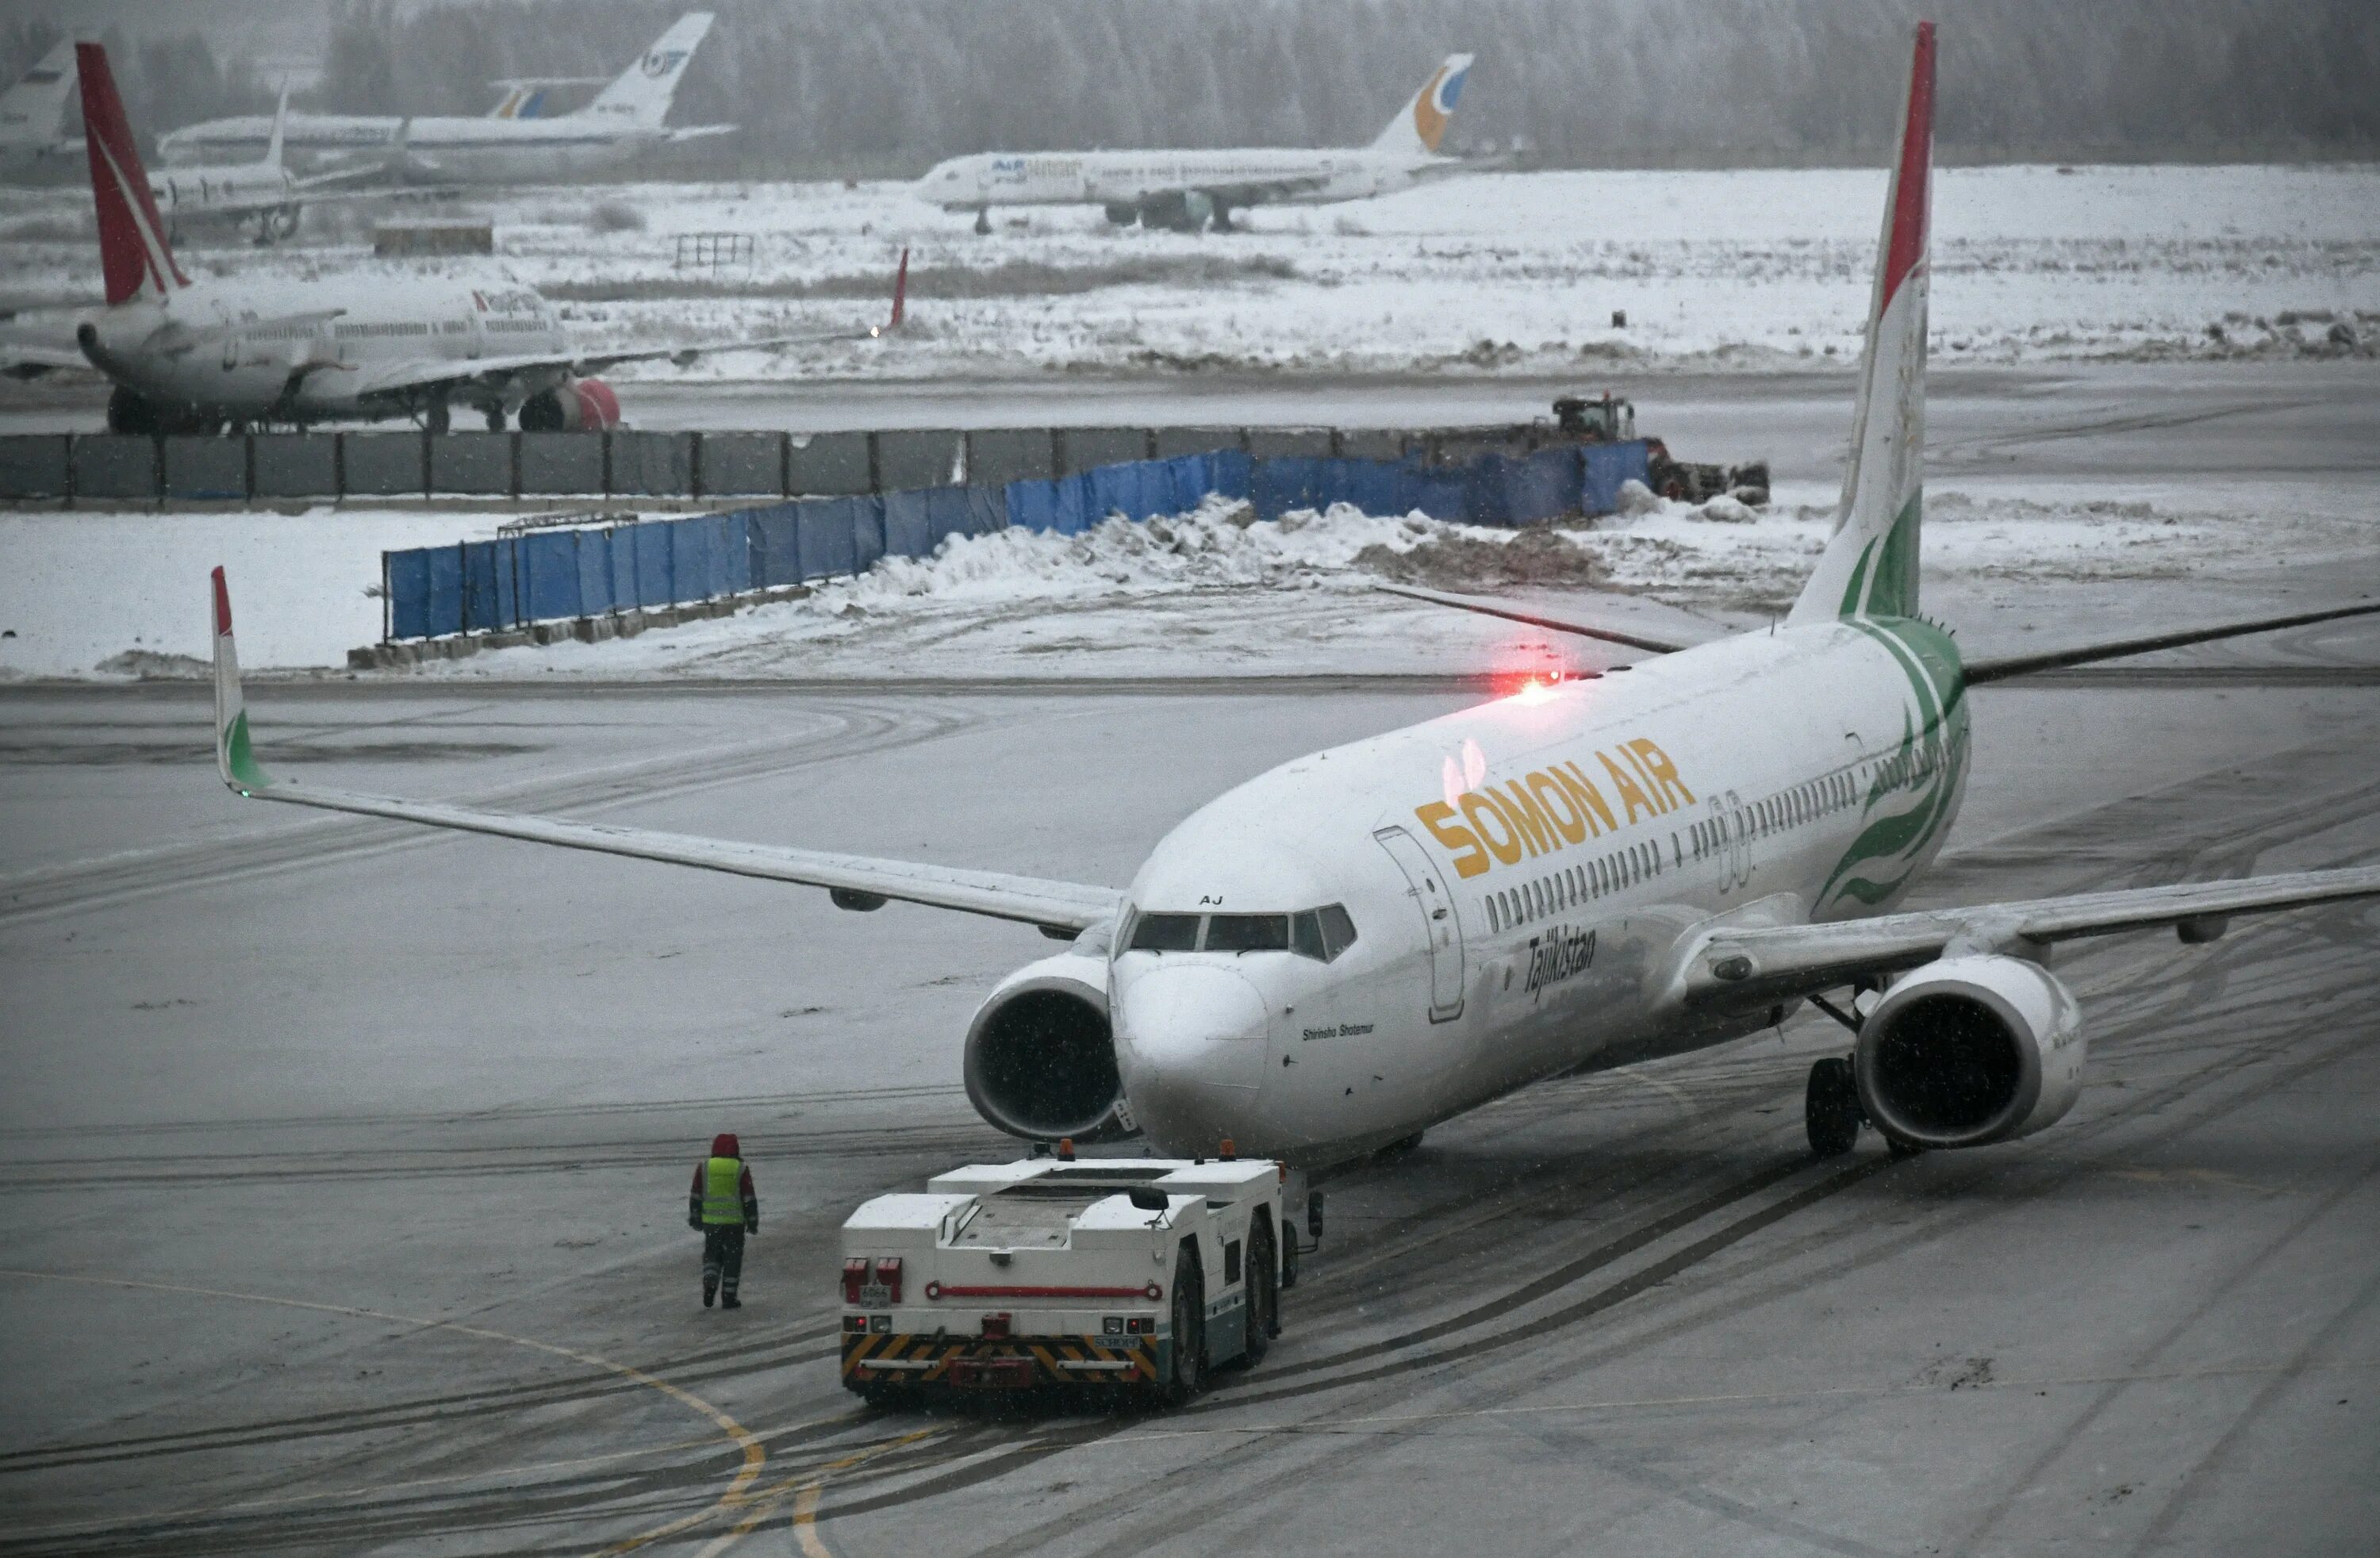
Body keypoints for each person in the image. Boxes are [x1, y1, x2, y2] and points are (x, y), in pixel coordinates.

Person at [688, 1132, 758, 1309]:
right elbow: (748, 1197)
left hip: (712, 1223)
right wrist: (752, 1221)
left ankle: (710, 1282)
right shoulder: (740, 1168)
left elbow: (696, 1194)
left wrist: (696, 1217)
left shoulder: (705, 1167)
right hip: (735, 1223)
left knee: (712, 1255)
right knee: (732, 1260)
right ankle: (729, 1296)